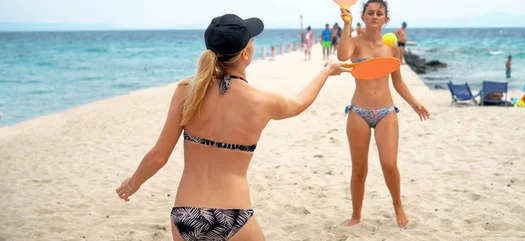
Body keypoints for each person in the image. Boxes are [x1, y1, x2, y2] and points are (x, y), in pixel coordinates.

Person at [115, 14, 350, 241]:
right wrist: (326, 72)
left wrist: (132, 183)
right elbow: (299, 103)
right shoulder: (262, 101)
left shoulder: (186, 90)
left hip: (185, 215)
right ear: (246, 54)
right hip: (234, 215)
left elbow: (158, 156)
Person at [337, 0, 430, 228]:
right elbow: (341, 55)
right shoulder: (355, 44)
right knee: (359, 168)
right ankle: (356, 215)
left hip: (386, 112)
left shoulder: (392, 47)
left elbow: (398, 82)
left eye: (379, 13)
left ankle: (398, 205)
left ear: (386, 19)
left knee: (389, 164)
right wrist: (347, 24)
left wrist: (414, 102)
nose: (375, 16)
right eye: (370, 12)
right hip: (358, 111)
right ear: (364, 17)